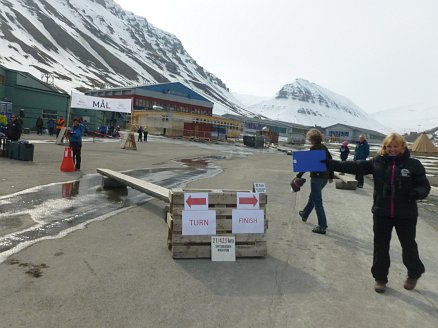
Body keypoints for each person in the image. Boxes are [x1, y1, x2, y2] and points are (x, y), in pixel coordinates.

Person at [323, 132, 430, 293]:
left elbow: (424, 186)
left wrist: (417, 193)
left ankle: (414, 273)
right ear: (384, 147)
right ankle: (380, 278)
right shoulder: (377, 162)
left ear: (402, 147)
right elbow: (355, 166)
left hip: (406, 214)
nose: (392, 149)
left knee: (408, 246)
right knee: (380, 246)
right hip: (382, 212)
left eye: (396, 146)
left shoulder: (413, 164)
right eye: (389, 146)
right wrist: (331, 164)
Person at [295, 129, 334, 235]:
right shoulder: (324, 148)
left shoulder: (314, 148)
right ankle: (305, 214)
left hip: (317, 178)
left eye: (309, 138)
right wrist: (331, 176)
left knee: (317, 202)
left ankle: (322, 226)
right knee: (313, 197)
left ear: (312, 139)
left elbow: (307, 164)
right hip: (324, 178)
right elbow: (331, 162)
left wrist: (298, 175)